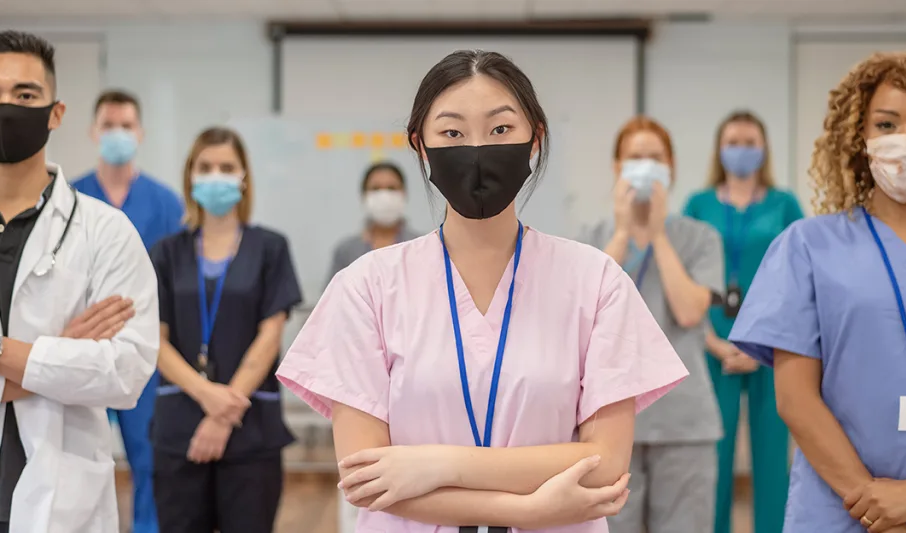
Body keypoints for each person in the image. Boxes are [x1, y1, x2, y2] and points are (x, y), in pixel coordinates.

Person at [277, 49, 688, 533]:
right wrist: (529, 511)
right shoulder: (366, 286)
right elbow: (368, 479)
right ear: (421, 146)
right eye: (452, 132)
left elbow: (603, 467)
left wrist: (436, 466)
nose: (477, 149)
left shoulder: (595, 281)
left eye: (500, 130)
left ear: (535, 139)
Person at [0, 30, 159, 533]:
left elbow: (124, 373)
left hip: (66, 499)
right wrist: (59, 355)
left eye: (26, 94)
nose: (6, 108)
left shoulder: (106, 231)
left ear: (56, 113)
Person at [729, 50, 906, 533]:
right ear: (860, 137)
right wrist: (882, 515)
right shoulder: (807, 246)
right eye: (887, 124)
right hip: (839, 510)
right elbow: (796, 399)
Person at [149, 127, 302, 533]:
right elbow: (154, 341)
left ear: (244, 177)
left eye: (227, 167)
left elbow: (270, 337)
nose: (216, 175)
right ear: (190, 177)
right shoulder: (165, 253)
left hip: (249, 428)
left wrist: (221, 415)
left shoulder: (271, 248)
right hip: (180, 428)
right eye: (205, 167)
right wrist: (207, 397)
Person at [583, 116, 724, 533]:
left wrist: (658, 234)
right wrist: (625, 233)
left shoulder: (699, 238)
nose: (645, 167)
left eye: (654, 158)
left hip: (684, 423)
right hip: (609, 423)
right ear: (616, 169)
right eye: (634, 158)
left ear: (672, 167)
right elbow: (583, 313)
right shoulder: (590, 238)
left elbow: (688, 312)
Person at [683, 110, 804, 533]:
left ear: (764, 148)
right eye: (734, 141)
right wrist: (710, 339)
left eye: (750, 142)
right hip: (712, 341)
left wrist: (767, 347)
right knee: (713, 456)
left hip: (771, 347)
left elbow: (799, 275)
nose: (742, 150)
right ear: (719, 148)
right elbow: (681, 275)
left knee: (772, 455)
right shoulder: (697, 204)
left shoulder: (784, 203)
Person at [71, 88, 183, 533]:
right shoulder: (68, 197)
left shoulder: (166, 203)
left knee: (147, 459)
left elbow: (175, 285)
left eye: (126, 126)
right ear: (93, 132)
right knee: (76, 456)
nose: (117, 133)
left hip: (142, 351)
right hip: (80, 350)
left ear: (140, 133)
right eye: (109, 125)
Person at [328, 161, 420, 282]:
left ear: (404, 194)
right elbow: (334, 298)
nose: (384, 196)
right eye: (375, 189)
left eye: (391, 188)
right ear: (364, 196)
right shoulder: (346, 251)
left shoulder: (420, 247)